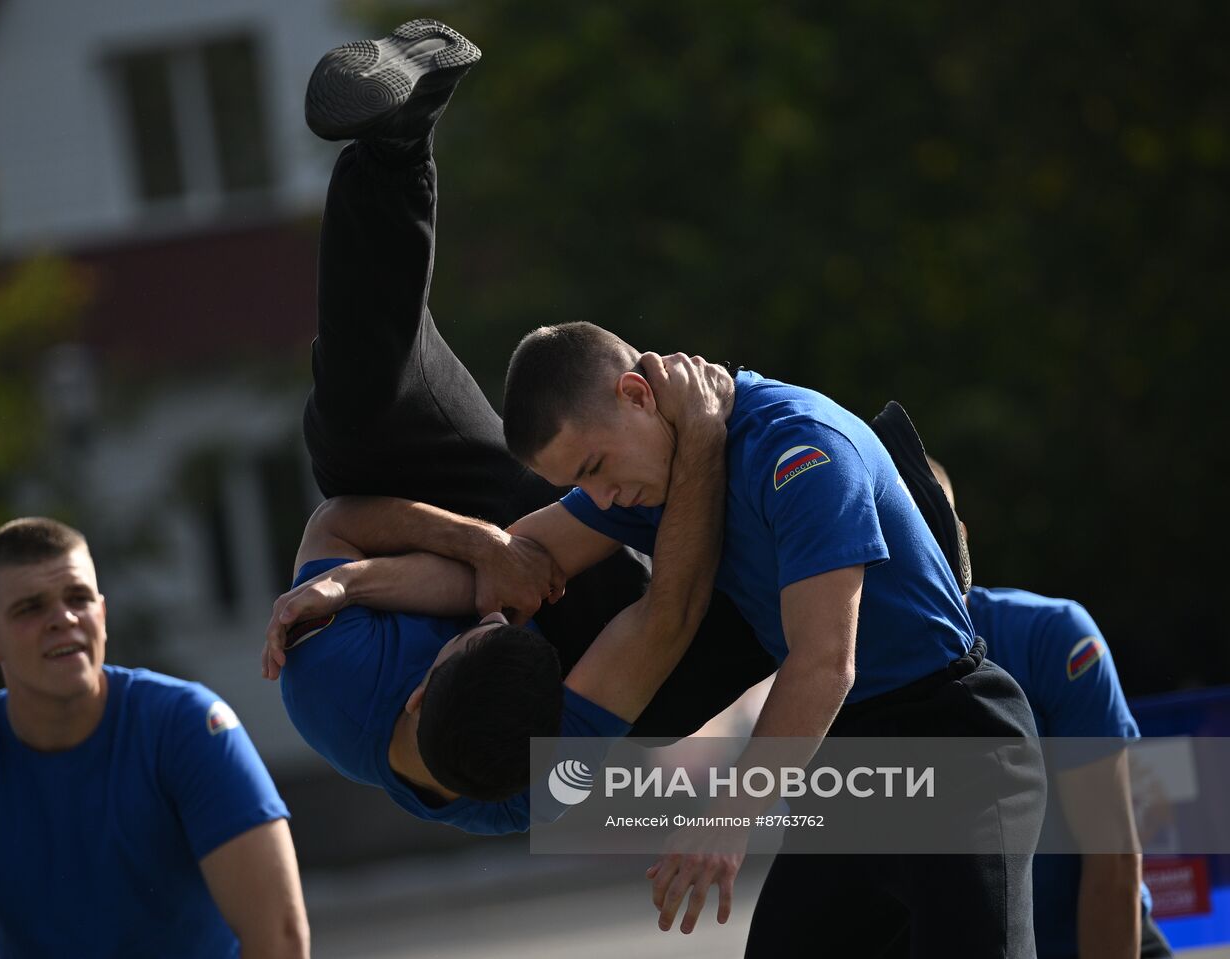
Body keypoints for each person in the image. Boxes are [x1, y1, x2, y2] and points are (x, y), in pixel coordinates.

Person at [257, 18, 772, 843]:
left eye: (479, 631)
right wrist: (704, 439)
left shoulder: (323, 679)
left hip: (467, 512)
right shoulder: (546, 780)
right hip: (613, 635)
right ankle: (904, 519)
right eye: (505, 619)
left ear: (419, 689)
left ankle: (395, 142)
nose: (501, 610)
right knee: (693, 668)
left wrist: (473, 552)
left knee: (353, 435)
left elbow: (340, 521)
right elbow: (664, 616)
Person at [499, 325, 1046, 956]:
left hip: (955, 750)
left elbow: (823, 663)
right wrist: (366, 578)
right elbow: (518, 555)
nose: (600, 498)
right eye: (578, 483)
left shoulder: (799, 448)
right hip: (847, 760)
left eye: (594, 468)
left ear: (637, 396)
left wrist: (731, 814)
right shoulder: (651, 474)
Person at [0, 518, 309, 959]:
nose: (63, 618)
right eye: (30, 607)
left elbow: (280, 938)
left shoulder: (187, 725)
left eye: (78, 597)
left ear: (102, 614)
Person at [926, 457, 1173, 959]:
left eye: (930, 527)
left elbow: (1113, 859)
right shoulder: (838, 676)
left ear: (960, 537)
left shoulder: (1053, 636)